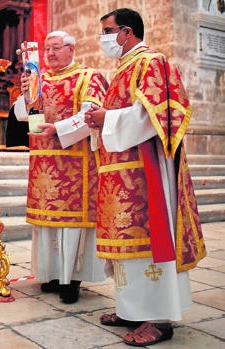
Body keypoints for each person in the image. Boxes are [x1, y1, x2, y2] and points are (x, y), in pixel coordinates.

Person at [84, 8, 206, 346]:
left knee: (149, 243)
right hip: (119, 172)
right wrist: (99, 118)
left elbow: (160, 113)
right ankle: (133, 309)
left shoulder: (152, 62)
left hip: (144, 171)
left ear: (126, 32)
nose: (104, 38)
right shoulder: (123, 67)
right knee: (125, 248)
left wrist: (106, 116)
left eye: (107, 31)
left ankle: (159, 318)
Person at [19, 31, 109, 304]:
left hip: (76, 164)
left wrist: (57, 129)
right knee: (47, 225)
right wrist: (26, 96)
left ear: (71, 49)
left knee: (72, 226)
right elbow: (25, 116)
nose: (50, 54)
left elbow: (90, 116)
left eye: (56, 48)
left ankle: (73, 279)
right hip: (44, 162)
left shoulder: (89, 77)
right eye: (47, 50)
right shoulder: (39, 79)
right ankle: (54, 274)